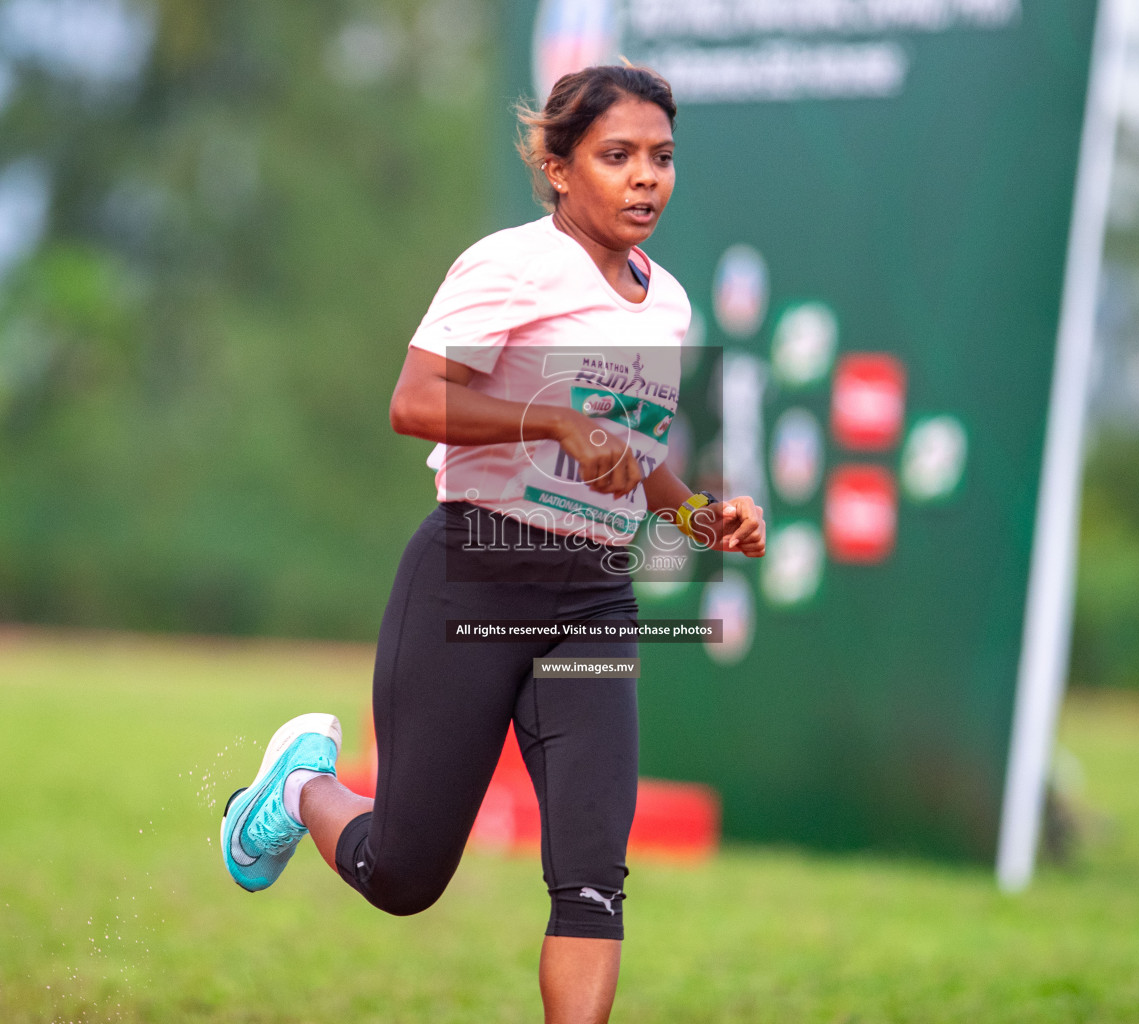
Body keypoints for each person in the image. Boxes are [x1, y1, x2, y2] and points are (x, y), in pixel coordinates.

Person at [219, 63, 766, 1024]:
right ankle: (299, 785)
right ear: (558, 168)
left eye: (662, 158)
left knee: (594, 878)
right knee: (403, 875)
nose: (646, 178)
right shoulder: (508, 264)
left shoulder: (669, 303)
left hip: (594, 599)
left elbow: (635, 458)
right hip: (473, 575)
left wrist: (700, 516)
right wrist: (552, 423)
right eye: (617, 156)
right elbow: (413, 401)